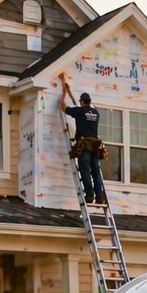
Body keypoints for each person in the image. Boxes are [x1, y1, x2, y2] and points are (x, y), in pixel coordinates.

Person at [59, 74, 107, 204]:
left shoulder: (79, 111)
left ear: (82, 101)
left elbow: (64, 107)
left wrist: (63, 94)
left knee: (85, 170)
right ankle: (99, 196)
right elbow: (85, 113)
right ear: (89, 101)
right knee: (95, 171)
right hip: (95, 145)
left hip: (84, 145)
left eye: (80, 101)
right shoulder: (96, 113)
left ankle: (90, 195)